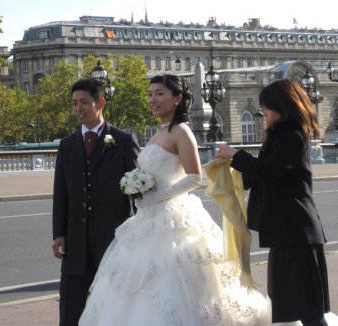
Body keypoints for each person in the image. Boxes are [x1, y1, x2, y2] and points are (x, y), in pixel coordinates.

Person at [79, 74, 277, 325]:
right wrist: (137, 189)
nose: (153, 99)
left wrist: (157, 196)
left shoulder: (181, 131)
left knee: (174, 279)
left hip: (172, 217)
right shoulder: (160, 131)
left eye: (160, 94)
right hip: (147, 217)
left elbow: (195, 177)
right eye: (150, 94)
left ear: (177, 98)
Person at [216, 79, 331, 326]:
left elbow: (267, 171)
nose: (263, 114)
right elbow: (256, 177)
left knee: (309, 309)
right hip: (286, 233)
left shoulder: (293, 136)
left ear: (283, 106)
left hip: (297, 233)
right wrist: (227, 168)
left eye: (267, 107)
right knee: (288, 302)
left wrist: (236, 155)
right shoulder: (280, 137)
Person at [52, 77, 140, 326]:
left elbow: (137, 191)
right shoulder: (67, 145)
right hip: (75, 240)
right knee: (70, 304)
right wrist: (58, 233)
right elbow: (61, 193)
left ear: (100, 102)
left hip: (113, 240)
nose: (78, 109)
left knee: (113, 302)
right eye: (74, 103)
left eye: (84, 103)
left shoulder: (123, 141)